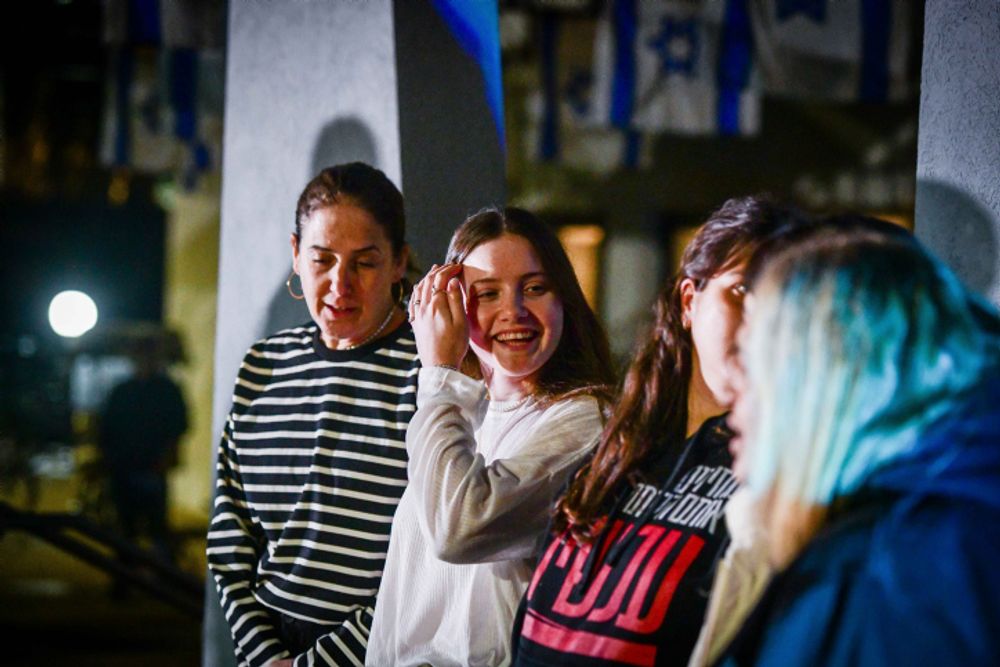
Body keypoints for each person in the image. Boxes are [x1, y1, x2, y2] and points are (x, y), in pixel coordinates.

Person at [509, 197, 798, 667]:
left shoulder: (774, 476)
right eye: (742, 292)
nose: (760, 323)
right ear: (689, 300)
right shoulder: (617, 447)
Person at [721, 222, 1000, 665]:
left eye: (753, 360)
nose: (730, 387)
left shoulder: (896, 572)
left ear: (823, 385)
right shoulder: (924, 537)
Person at [366, 206, 616, 667]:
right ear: (452, 305)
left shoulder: (586, 420)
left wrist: (439, 373)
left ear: (565, 298)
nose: (513, 312)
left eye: (535, 288)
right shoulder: (462, 409)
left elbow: (460, 529)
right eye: (487, 293)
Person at [207, 162, 418, 667]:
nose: (339, 285)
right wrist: (262, 652)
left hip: (383, 647)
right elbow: (230, 530)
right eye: (322, 260)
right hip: (266, 643)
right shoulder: (264, 364)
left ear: (398, 264)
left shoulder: (430, 368)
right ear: (297, 256)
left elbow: (431, 556)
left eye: (364, 263)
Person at [99, 332, 188, 560]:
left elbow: (178, 427)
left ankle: (162, 577)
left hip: (153, 466)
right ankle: (124, 576)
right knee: (125, 525)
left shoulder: (167, 390)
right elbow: (107, 428)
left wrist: (167, 457)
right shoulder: (123, 390)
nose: (143, 361)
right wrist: (108, 459)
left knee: (156, 525)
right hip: (124, 467)